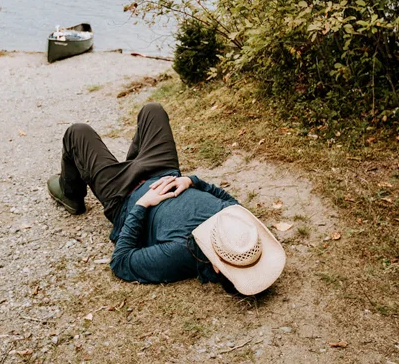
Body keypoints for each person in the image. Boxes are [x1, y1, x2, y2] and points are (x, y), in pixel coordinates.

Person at [47, 102, 285, 294]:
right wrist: (191, 181)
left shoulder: (183, 253)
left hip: (123, 196)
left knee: (77, 132)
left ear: (216, 266)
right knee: (153, 110)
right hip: (163, 172)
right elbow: (226, 198)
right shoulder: (237, 230)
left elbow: (121, 262)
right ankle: (132, 162)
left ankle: (70, 194)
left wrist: (143, 204)